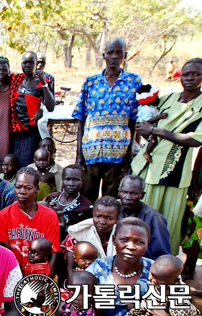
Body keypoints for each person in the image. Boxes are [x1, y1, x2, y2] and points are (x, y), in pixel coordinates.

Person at [131, 58, 202, 255]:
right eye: (186, 74)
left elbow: (195, 140)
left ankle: (165, 268)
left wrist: (154, 129)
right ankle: (138, 264)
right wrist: (147, 130)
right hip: (147, 166)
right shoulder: (168, 99)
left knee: (167, 222)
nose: (189, 78)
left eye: (196, 74)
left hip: (174, 172)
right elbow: (145, 122)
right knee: (142, 220)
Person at [73, 38, 141, 203]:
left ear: (124, 55)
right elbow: (80, 119)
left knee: (110, 199)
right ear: (104, 55)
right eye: (110, 52)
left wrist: (129, 153)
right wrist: (79, 154)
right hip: (91, 151)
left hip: (118, 151)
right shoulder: (91, 82)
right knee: (87, 197)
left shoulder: (133, 82)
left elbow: (134, 121)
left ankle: (109, 229)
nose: (114, 56)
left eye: (118, 52)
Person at [0, 52, 55, 169]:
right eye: (25, 62)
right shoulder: (16, 79)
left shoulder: (41, 81)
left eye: (31, 62)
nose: (28, 65)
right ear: (21, 64)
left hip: (31, 131)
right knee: (12, 164)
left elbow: (50, 106)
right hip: (14, 131)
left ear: (36, 64)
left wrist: (44, 84)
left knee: (27, 164)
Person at [86, 217, 155, 316]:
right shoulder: (97, 269)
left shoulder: (157, 271)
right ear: (113, 240)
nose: (131, 247)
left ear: (148, 243)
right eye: (124, 239)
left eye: (139, 242)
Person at [0, 167, 61, 276]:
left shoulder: (49, 215)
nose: (22, 192)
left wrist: (45, 281)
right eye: (18, 187)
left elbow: (53, 253)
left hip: (40, 275)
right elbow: (7, 253)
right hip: (13, 274)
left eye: (28, 188)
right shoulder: (3, 215)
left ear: (37, 188)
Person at [115, 255, 200, 316]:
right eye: (151, 274)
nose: (152, 280)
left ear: (176, 281)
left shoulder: (181, 303)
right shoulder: (157, 285)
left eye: (160, 279)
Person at [118, 175, 171, 260]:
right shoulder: (112, 210)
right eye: (124, 192)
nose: (127, 197)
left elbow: (161, 255)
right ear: (119, 192)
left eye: (133, 194)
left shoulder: (154, 218)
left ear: (142, 195)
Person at [62, 196, 120, 263]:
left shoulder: (123, 236)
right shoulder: (77, 233)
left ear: (117, 218)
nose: (102, 222)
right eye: (98, 216)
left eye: (109, 218)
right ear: (93, 215)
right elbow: (70, 268)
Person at [44, 164, 93, 230]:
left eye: (76, 180)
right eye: (67, 179)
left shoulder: (86, 207)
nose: (71, 183)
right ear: (62, 180)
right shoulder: (51, 198)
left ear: (82, 181)